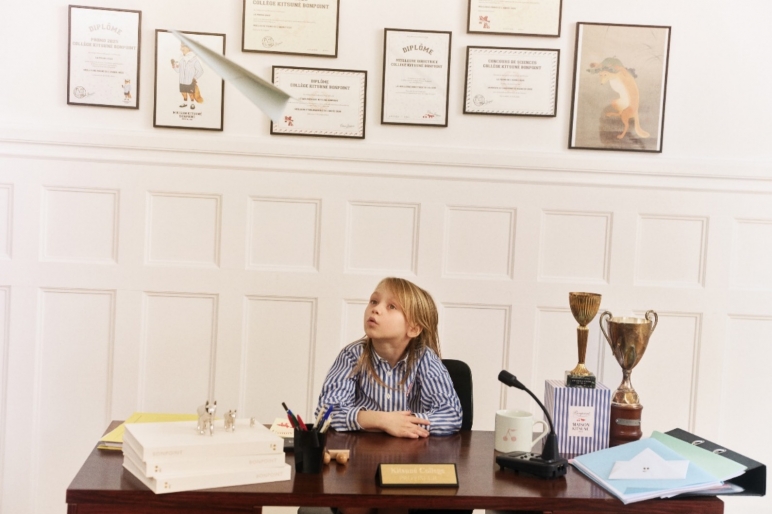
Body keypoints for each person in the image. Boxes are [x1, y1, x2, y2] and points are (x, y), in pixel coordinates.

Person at [315, 277, 462, 438]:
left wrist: (403, 424)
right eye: (374, 301)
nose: (376, 309)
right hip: (362, 450)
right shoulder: (351, 355)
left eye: (391, 306)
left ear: (413, 329)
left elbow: (451, 415)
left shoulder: (425, 359)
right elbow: (326, 413)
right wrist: (382, 420)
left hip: (412, 451)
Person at [171, 43, 203, 110]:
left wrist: (195, 78)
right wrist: (174, 66)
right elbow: (178, 70)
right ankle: (185, 103)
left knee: (191, 93)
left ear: (189, 48)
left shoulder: (194, 60)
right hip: (182, 81)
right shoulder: (181, 59)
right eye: (181, 47)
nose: (181, 49)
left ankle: (192, 104)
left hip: (190, 81)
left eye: (183, 47)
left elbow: (200, 71)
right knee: (183, 92)